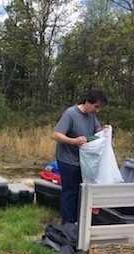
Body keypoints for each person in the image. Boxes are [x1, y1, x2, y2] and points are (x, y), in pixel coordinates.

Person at [52, 88, 108, 224]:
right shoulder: (70, 114)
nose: (97, 111)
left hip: (84, 162)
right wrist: (74, 141)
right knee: (70, 192)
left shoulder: (92, 116)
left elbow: (96, 131)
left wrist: (104, 131)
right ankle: (68, 224)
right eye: (96, 107)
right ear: (88, 102)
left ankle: (79, 222)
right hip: (67, 160)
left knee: (81, 192)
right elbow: (56, 134)